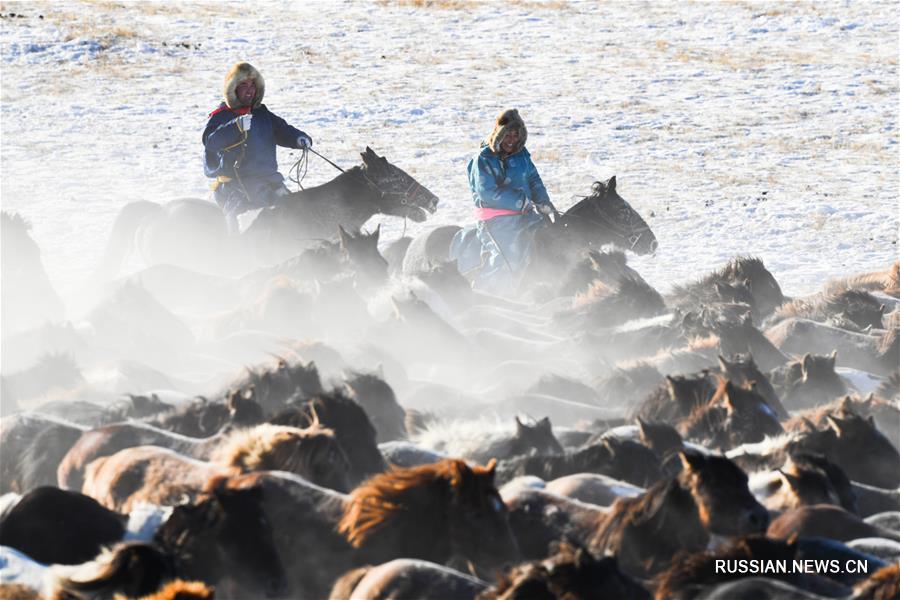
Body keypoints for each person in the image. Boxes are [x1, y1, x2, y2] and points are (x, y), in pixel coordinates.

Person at [202, 62, 313, 231]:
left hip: (269, 182)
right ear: (233, 89)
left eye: (253, 85)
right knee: (241, 230)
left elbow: (281, 129)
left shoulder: (261, 113)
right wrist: (235, 126)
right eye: (244, 85)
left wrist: (298, 138)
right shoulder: (222, 116)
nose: (250, 90)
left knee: (296, 217)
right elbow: (211, 141)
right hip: (236, 187)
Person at [465, 108, 556, 295]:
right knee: (507, 259)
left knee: (553, 242)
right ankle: (482, 296)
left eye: (516, 136)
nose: (511, 140)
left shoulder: (522, 155)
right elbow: (486, 193)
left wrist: (544, 202)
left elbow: (533, 179)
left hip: (527, 216)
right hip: (497, 222)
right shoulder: (483, 159)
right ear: (499, 134)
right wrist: (520, 202)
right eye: (508, 135)